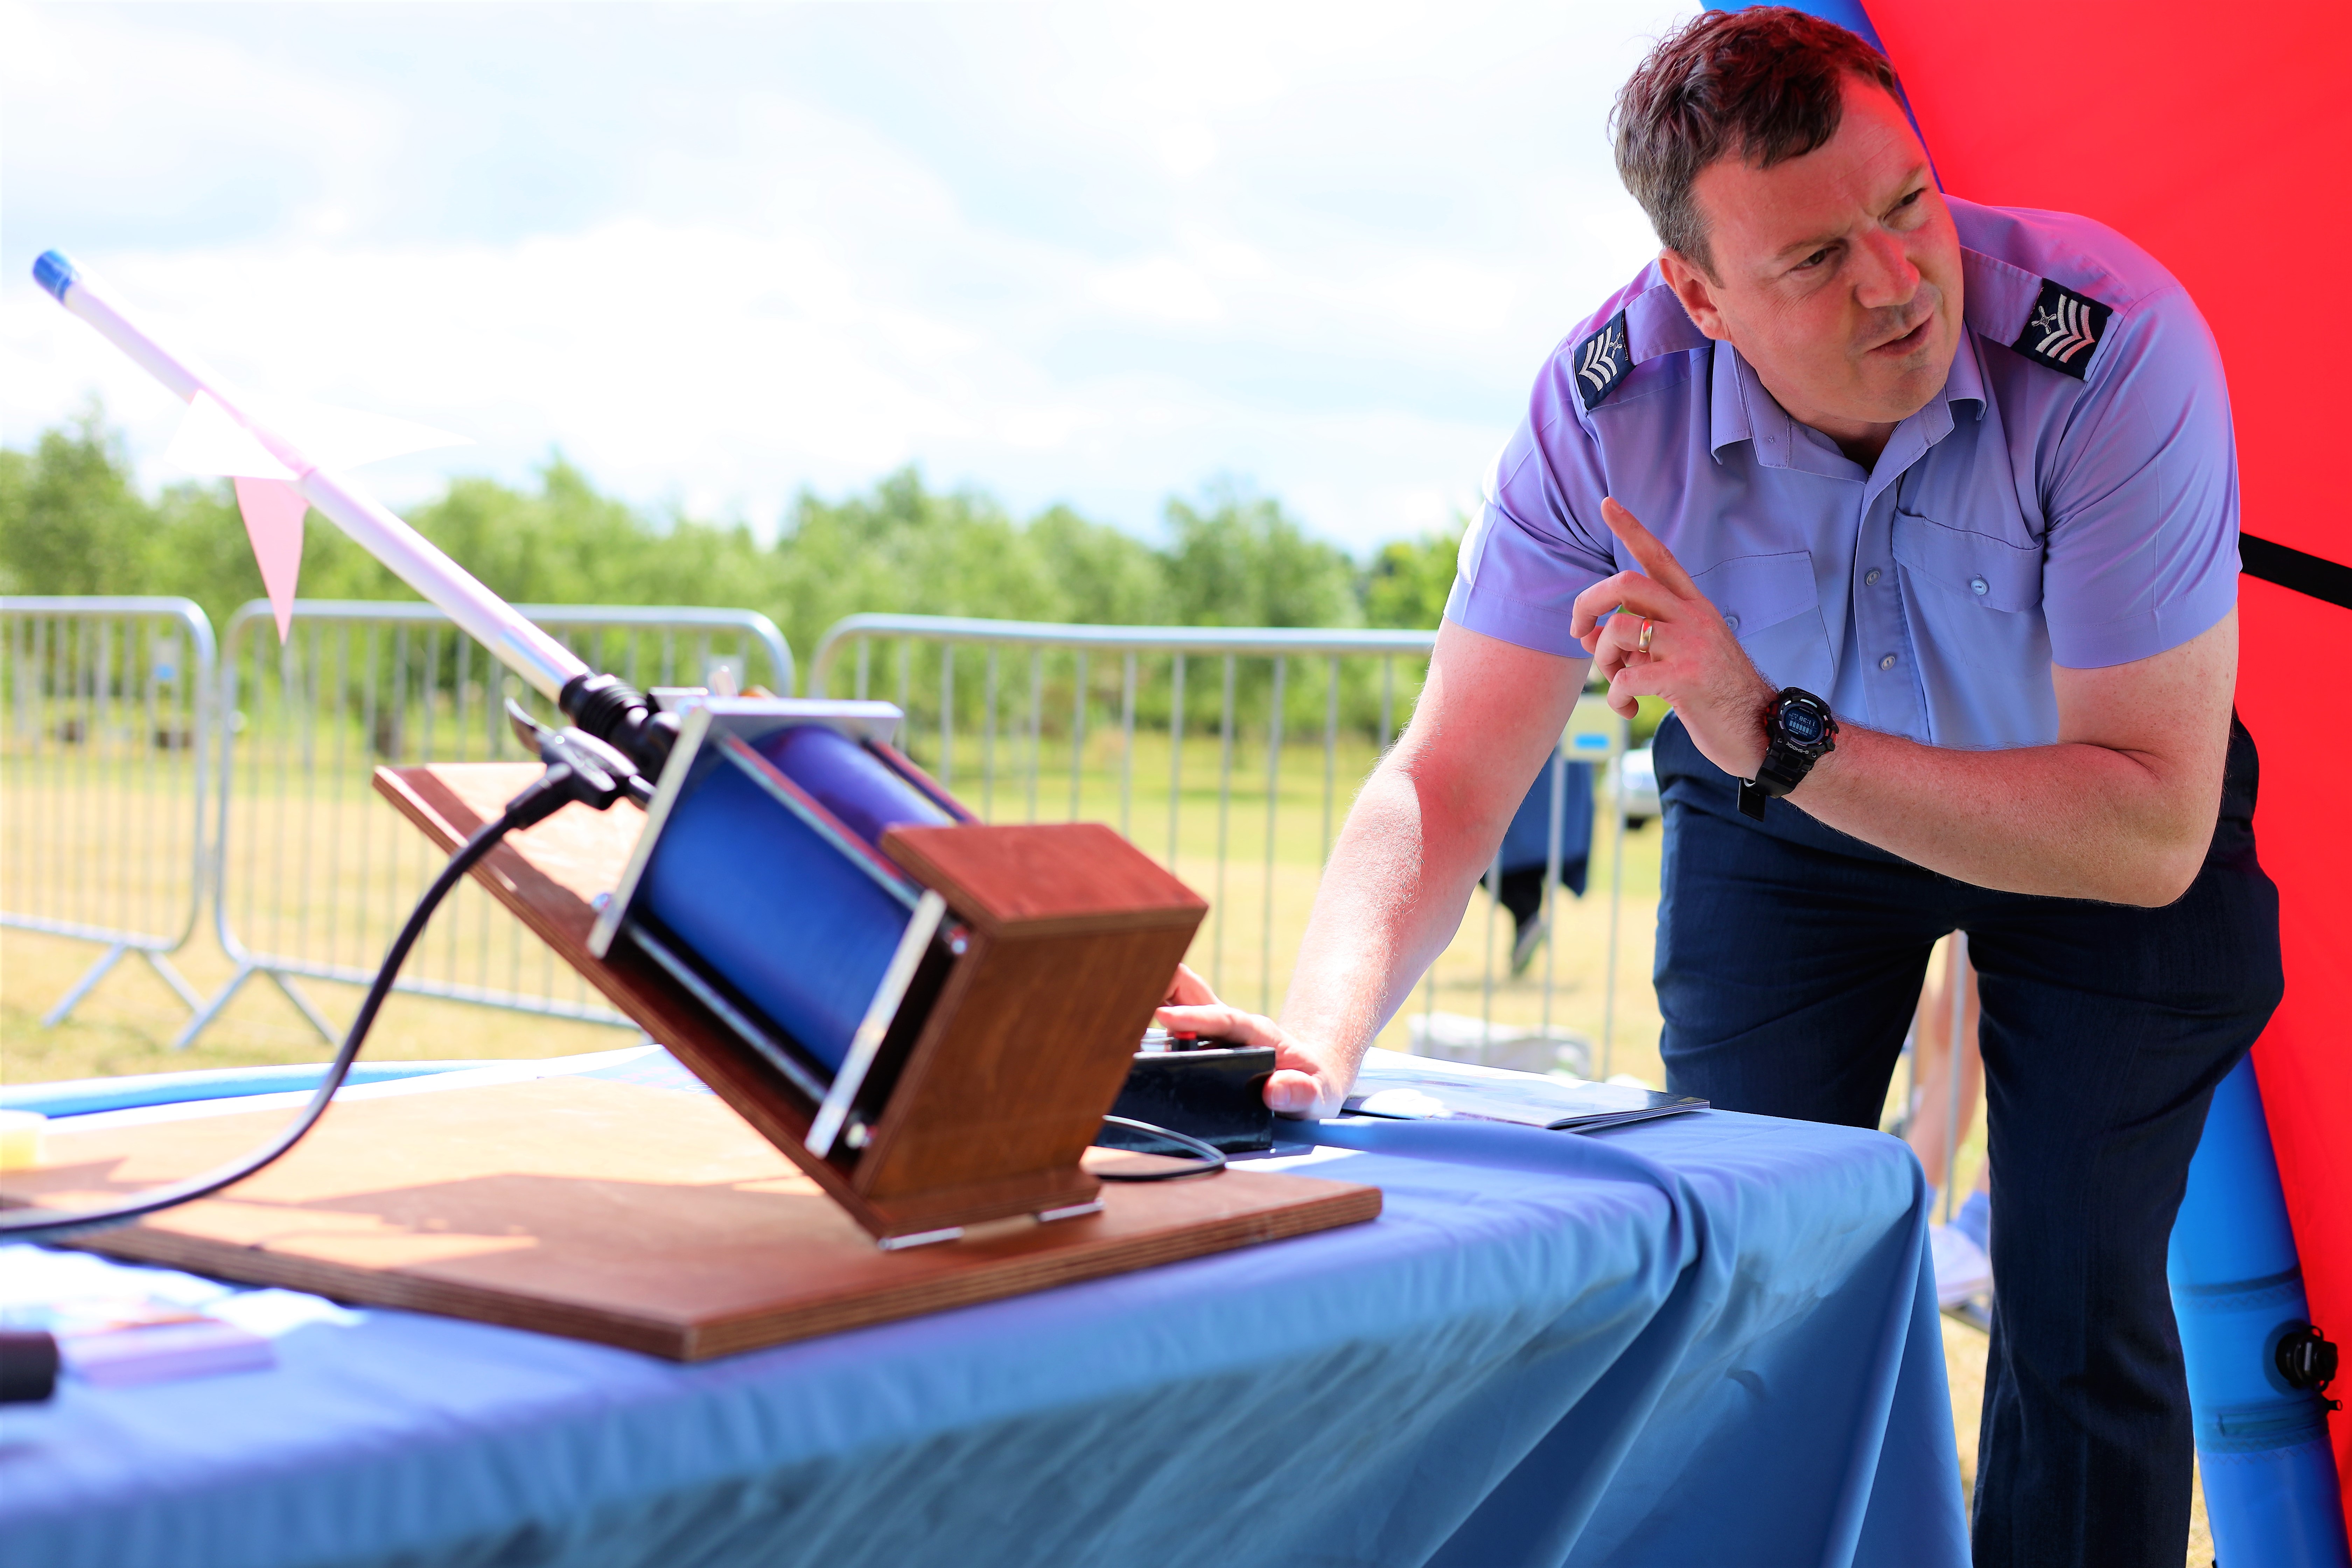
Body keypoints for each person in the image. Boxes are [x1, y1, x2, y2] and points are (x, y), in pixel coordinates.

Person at [1158, 11, 2282, 1564]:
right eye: (1813, 259)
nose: (1896, 279)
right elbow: (1450, 767)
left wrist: (1766, 723)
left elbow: (2149, 828)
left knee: (2072, 1284)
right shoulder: (1601, 407)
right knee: (1738, 1257)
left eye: (1904, 204)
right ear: (1692, 294)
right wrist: (1316, 1039)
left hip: (2074, 816)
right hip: (1785, 810)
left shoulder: (2111, 341)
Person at [1480, 754, 1594, 974]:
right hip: (1552, 784)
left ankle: (1527, 923)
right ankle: (1525, 929)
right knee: (1526, 866)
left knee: (1494, 863)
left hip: (1523, 773)